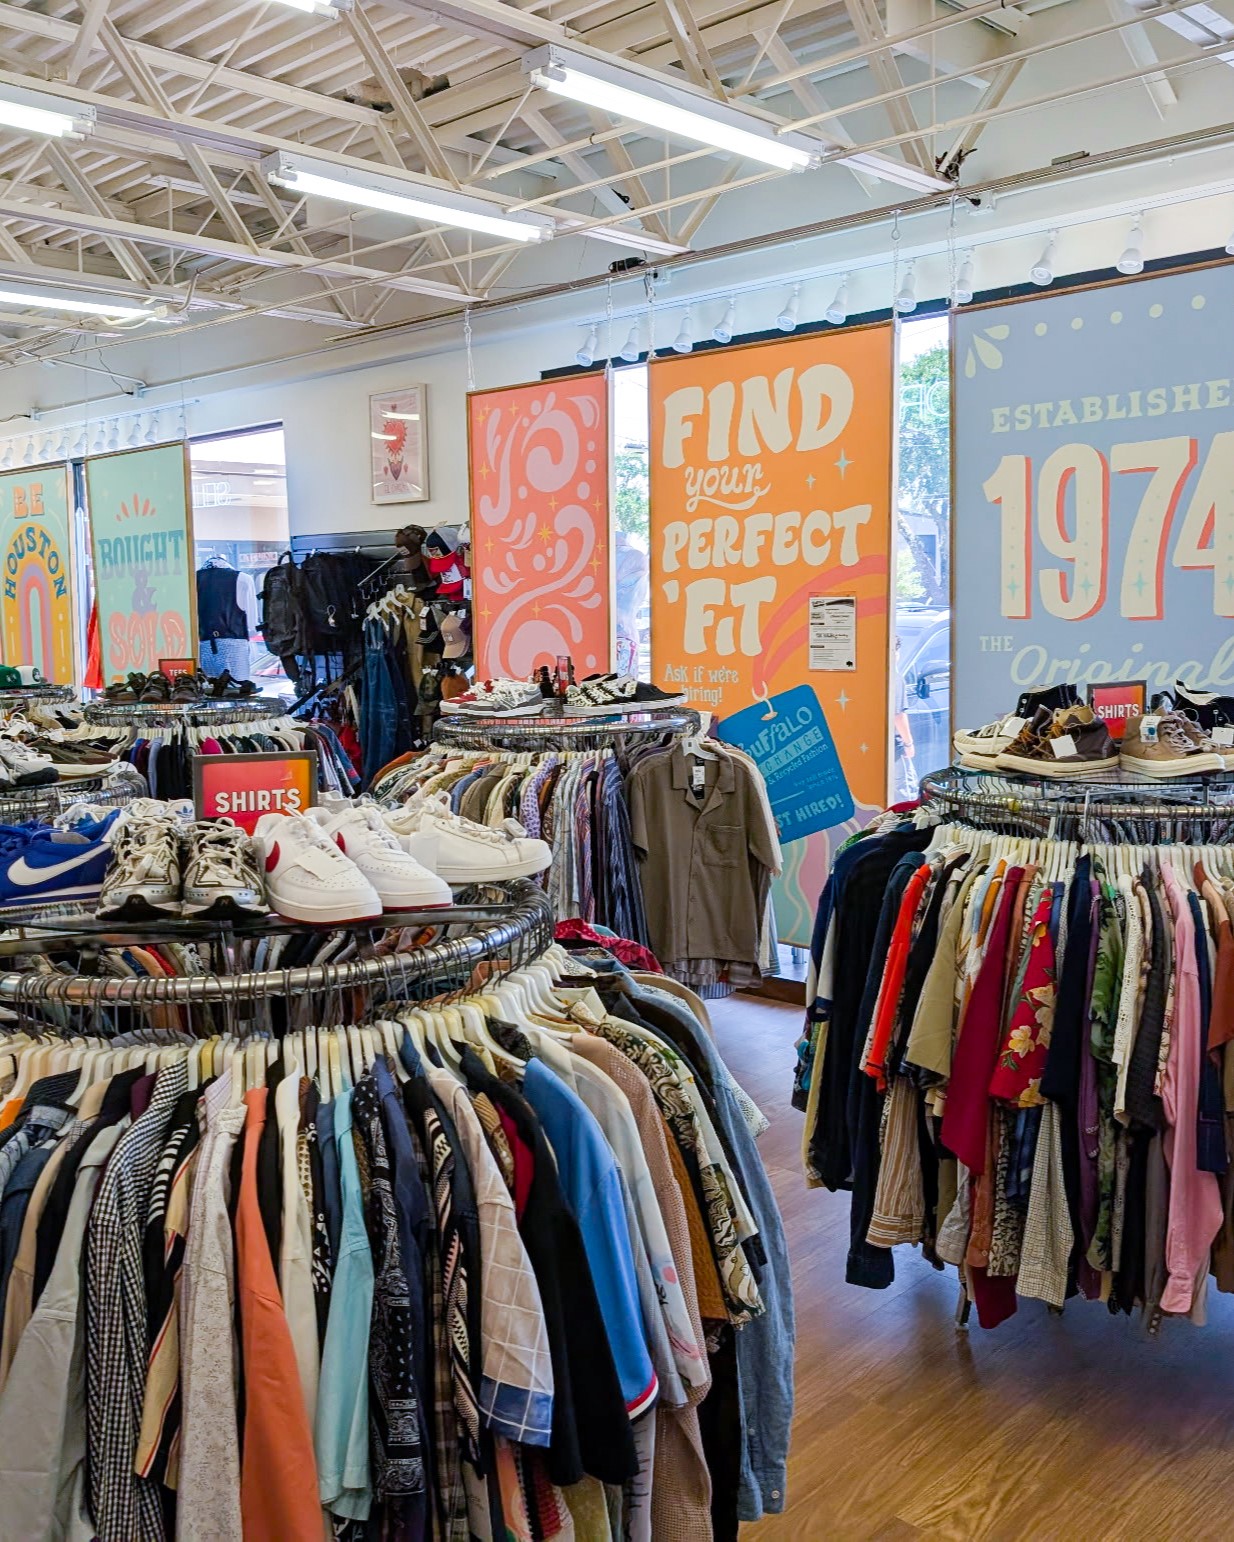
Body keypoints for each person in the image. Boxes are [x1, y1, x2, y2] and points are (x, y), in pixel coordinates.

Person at [893, 636, 917, 799]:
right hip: (895, 747)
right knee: (905, 791)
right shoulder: (895, 679)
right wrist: (908, 743)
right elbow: (899, 715)